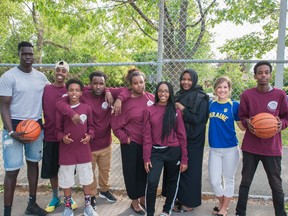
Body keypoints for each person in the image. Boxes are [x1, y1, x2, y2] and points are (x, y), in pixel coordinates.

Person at [56, 71, 121, 210]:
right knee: (89, 173)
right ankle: (91, 196)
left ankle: (104, 190)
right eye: (95, 83)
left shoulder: (108, 94)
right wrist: (72, 113)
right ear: (90, 84)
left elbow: (126, 91)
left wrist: (110, 92)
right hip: (88, 144)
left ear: (105, 84)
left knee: (105, 170)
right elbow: (60, 102)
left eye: (102, 84)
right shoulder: (83, 94)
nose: (98, 86)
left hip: (106, 142)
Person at [0, 41, 49, 216]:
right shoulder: (8, 77)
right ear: (19, 55)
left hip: (35, 127)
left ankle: (32, 204)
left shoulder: (41, 77)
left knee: (33, 164)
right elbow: (4, 106)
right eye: (24, 54)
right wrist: (11, 131)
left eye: (30, 53)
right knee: (12, 171)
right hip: (13, 128)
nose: (28, 57)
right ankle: (7, 212)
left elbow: (54, 95)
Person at [235, 61, 288, 216]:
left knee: (276, 184)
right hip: (251, 147)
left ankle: (280, 213)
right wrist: (247, 122)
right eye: (260, 72)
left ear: (270, 75)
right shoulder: (247, 95)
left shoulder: (280, 95)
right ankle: (240, 212)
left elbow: (286, 117)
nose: (263, 75)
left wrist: (281, 124)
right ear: (255, 76)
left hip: (272, 148)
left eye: (266, 72)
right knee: (245, 182)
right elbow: (242, 116)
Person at [111, 68, 154, 215]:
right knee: (131, 174)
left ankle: (143, 199)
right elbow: (115, 125)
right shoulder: (125, 102)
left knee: (145, 173)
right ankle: (134, 202)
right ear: (131, 85)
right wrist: (125, 139)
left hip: (148, 143)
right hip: (131, 143)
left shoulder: (151, 98)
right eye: (135, 83)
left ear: (145, 82)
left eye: (141, 82)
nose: (139, 85)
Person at [143, 81, 188, 216]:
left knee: (172, 183)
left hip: (173, 152)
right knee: (152, 183)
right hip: (156, 152)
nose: (163, 93)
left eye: (166, 91)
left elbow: (182, 136)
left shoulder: (175, 111)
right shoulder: (149, 110)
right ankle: (149, 212)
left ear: (170, 94)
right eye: (161, 91)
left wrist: (184, 158)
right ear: (157, 92)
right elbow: (146, 136)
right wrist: (146, 157)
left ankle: (166, 210)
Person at [55, 78, 98, 216]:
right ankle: (67, 207)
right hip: (67, 152)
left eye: (77, 90)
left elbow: (92, 128)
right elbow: (57, 131)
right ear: (67, 92)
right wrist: (63, 138)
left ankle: (87, 206)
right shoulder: (62, 110)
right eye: (71, 90)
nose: (74, 93)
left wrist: (89, 136)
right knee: (66, 180)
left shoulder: (87, 108)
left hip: (83, 151)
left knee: (86, 179)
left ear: (81, 93)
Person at [41, 61, 78, 213]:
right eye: (58, 70)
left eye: (63, 70)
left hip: (66, 137)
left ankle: (68, 197)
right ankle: (56, 197)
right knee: (52, 170)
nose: (60, 73)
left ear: (67, 73)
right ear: (54, 71)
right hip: (50, 135)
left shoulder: (70, 90)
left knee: (67, 169)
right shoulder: (46, 89)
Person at [172, 69, 209, 212]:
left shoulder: (201, 97)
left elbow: (198, 119)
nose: (186, 82)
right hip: (178, 138)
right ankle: (180, 198)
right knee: (179, 169)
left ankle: (190, 203)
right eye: (183, 79)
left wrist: (182, 108)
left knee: (191, 170)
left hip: (193, 139)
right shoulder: (178, 94)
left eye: (189, 79)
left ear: (194, 80)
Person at [208, 76, 245, 216]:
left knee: (229, 179)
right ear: (215, 89)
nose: (222, 90)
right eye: (219, 87)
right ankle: (223, 202)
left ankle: (223, 208)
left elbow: (242, 127)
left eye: (225, 87)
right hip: (214, 149)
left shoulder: (234, 105)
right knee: (214, 181)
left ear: (229, 89)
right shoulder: (210, 104)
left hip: (230, 149)